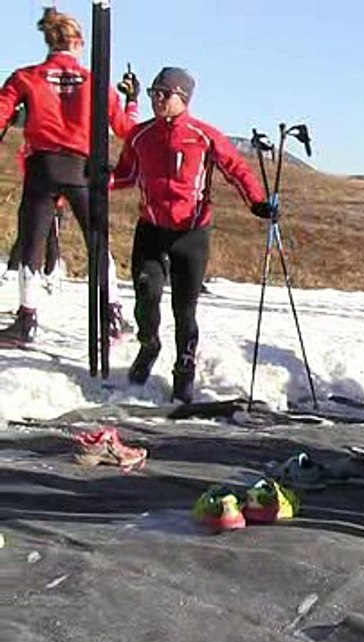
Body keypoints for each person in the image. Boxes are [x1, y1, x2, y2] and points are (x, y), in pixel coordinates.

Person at [109, 67, 273, 402]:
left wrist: (258, 203)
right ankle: (148, 345)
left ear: (182, 98)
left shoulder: (203, 135)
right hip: (152, 228)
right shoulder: (140, 136)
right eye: (153, 92)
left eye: (163, 94)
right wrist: (99, 179)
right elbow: (125, 175)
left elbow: (237, 169)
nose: (156, 99)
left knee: (184, 308)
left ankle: (184, 369)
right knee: (146, 295)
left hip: (192, 231)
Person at [0, 7, 139, 347]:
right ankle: (112, 314)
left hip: (42, 169)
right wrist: (132, 101)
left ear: (49, 41)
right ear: (77, 42)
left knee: (32, 243)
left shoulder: (25, 77)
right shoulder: (97, 81)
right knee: (98, 243)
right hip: (83, 169)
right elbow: (125, 128)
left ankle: (27, 319)